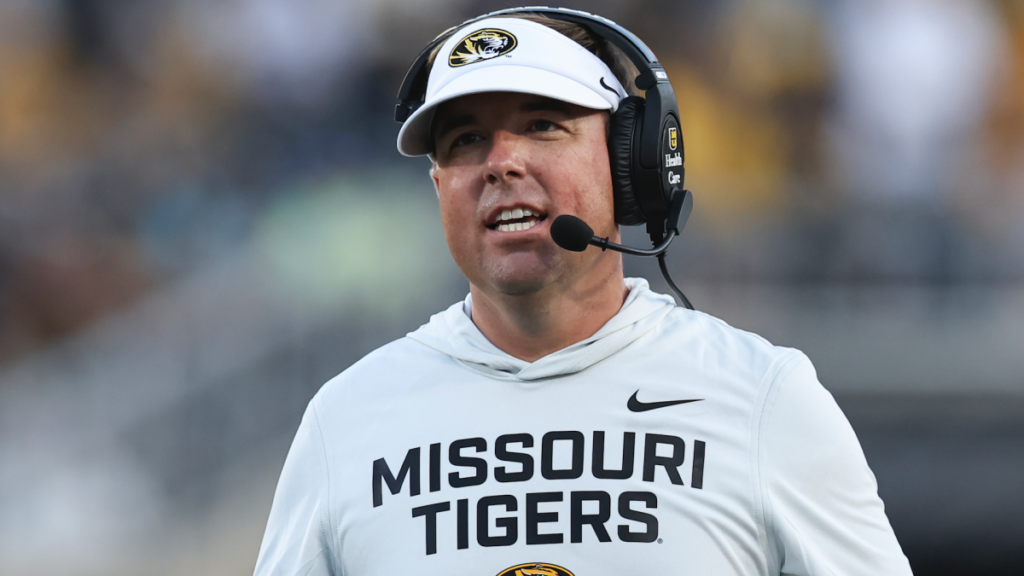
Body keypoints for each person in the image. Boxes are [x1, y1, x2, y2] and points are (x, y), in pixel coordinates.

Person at [254, 9, 912, 576]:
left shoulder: (764, 399)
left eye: (543, 125)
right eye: (466, 140)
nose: (501, 162)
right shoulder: (345, 421)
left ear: (632, 163)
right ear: (438, 188)